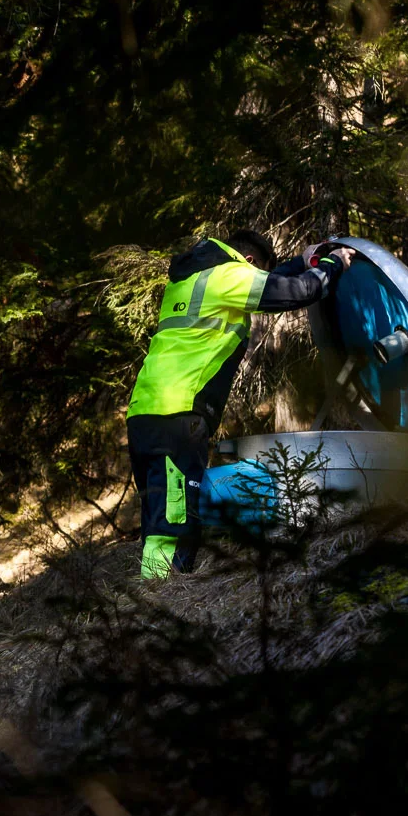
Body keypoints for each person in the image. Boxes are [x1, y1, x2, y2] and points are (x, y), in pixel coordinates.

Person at [125, 230, 355, 578]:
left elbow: (271, 281)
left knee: (159, 514)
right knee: (176, 518)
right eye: (257, 271)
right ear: (248, 262)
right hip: (179, 413)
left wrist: (301, 260)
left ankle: (151, 593)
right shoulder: (229, 276)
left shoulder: (193, 279)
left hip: (145, 412)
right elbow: (299, 292)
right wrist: (332, 263)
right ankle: (165, 596)